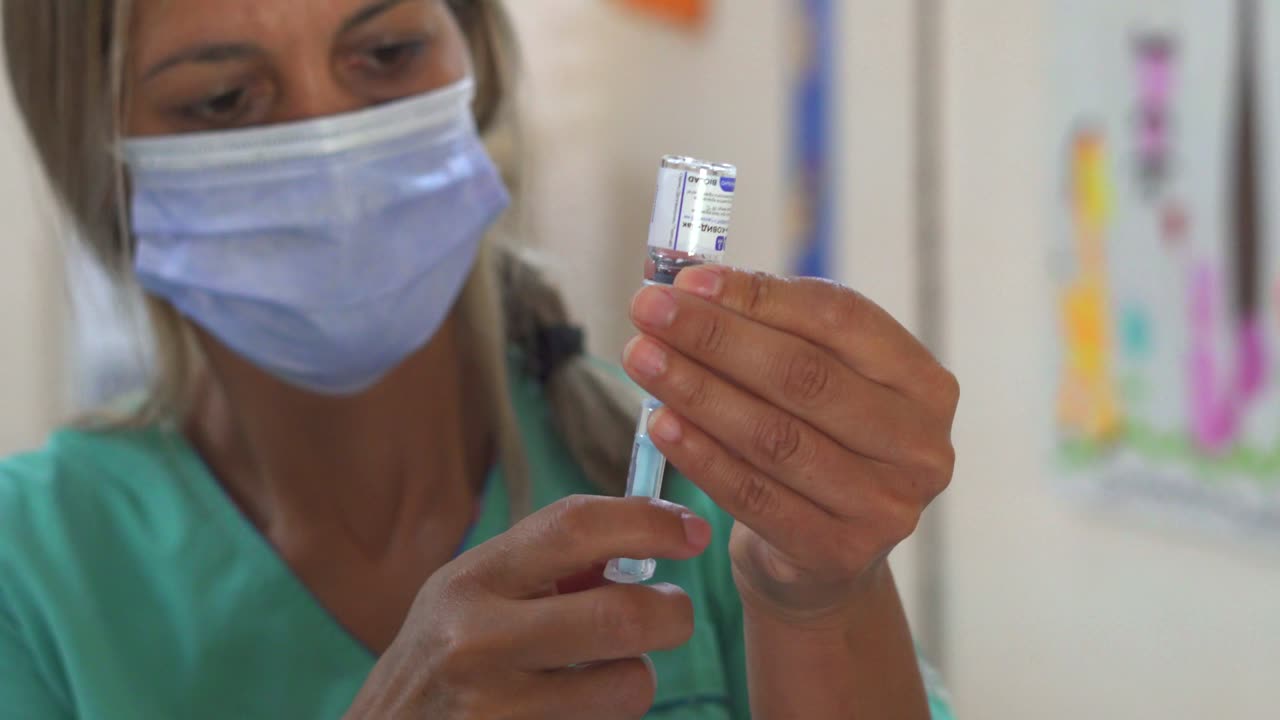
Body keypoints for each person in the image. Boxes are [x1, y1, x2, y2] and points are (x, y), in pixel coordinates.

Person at [0, 1, 960, 717]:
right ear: (100, 165)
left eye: (385, 52)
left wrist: (820, 603)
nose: (329, 141)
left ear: (481, 69)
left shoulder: (699, 487)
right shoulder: (32, 576)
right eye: (220, 98)